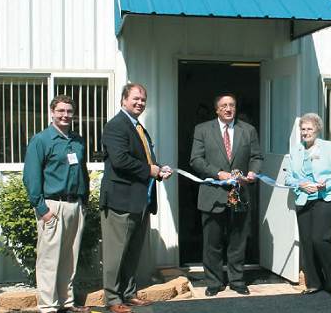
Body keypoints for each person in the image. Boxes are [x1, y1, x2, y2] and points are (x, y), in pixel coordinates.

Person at [99, 83, 172, 313]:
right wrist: (150, 170)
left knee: (132, 253)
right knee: (115, 254)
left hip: (139, 201)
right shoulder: (116, 126)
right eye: (136, 99)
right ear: (123, 100)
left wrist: (159, 169)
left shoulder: (138, 127)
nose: (140, 103)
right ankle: (112, 300)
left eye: (143, 100)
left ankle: (128, 295)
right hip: (120, 201)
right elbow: (120, 161)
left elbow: (144, 160)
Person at [190, 93, 263, 297]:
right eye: (224, 106)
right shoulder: (202, 130)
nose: (228, 108)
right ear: (217, 110)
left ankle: (237, 280)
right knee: (212, 242)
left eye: (232, 105)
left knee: (237, 240)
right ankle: (214, 282)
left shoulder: (248, 130)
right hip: (212, 194)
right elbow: (195, 160)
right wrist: (218, 173)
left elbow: (257, 157)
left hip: (240, 193)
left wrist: (253, 171)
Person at [23, 95, 90, 313]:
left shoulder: (77, 141)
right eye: (61, 111)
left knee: (69, 258)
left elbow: (83, 172)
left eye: (69, 111)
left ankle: (66, 303)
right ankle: (49, 307)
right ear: (52, 112)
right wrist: (42, 209)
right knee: (49, 261)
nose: (65, 115)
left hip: (75, 206)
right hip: (53, 206)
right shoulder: (41, 140)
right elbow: (31, 177)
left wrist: (84, 202)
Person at [284, 113, 331, 297]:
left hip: (326, 197)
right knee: (307, 242)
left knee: (320, 239)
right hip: (304, 199)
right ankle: (314, 282)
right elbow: (288, 178)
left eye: (309, 129)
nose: (306, 132)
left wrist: (325, 183)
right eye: (303, 129)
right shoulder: (295, 150)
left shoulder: (329, 147)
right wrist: (299, 184)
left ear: (317, 129)